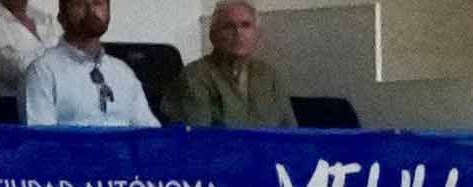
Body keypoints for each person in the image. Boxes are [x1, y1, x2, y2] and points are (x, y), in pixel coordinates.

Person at [16, 0, 148, 122]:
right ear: (61, 17)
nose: (91, 10)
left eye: (98, 3)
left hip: (124, 148)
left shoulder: (123, 73)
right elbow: (41, 142)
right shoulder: (42, 73)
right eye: (79, 3)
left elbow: (151, 136)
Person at [167, 0, 288, 125]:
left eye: (246, 25)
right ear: (212, 36)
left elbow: (291, 132)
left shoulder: (269, 75)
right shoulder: (194, 76)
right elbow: (198, 139)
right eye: (228, 26)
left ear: (257, 34)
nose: (238, 33)